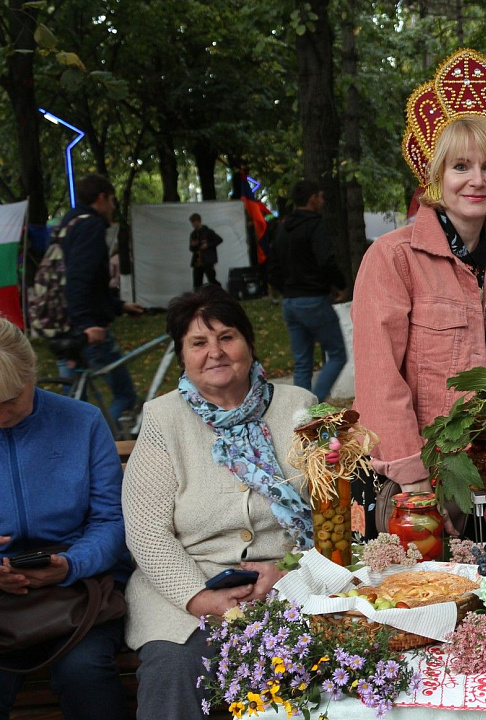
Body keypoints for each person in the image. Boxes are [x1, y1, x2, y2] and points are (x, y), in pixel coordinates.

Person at [122, 285, 315, 718]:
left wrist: (288, 574)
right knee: (176, 667)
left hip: (286, 583)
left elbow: (329, 511)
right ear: (182, 356)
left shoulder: (299, 407)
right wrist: (198, 598)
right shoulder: (162, 419)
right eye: (198, 343)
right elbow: (146, 531)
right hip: (185, 590)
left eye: (227, 337)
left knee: (321, 662)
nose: (216, 352)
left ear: (249, 342)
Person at [353, 49, 486, 501]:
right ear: (437, 174)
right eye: (460, 166)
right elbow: (379, 380)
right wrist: (412, 479)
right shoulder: (393, 259)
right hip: (425, 481)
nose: (477, 180)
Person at [0, 319, 131, 720]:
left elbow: (112, 521)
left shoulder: (82, 421)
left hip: (79, 589)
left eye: (11, 400)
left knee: (85, 673)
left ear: (32, 373)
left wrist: (71, 564)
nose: (1, 413)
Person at [61, 173, 145, 423]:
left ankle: (71, 450)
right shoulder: (91, 227)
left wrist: (120, 305)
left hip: (65, 327)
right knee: (125, 395)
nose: (113, 208)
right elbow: (79, 280)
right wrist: (88, 326)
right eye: (112, 201)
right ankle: (100, 450)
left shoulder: (70, 225)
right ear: (101, 198)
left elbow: (88, 284)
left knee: (71, 407)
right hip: (88, 328)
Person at [275, 179, 347, 402]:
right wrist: (340, 285)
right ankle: (314, 404)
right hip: (313, 299)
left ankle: (300, 413)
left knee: (302, 362)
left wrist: (285, 289)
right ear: (313, 198)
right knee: (337, 354)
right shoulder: (315, 225)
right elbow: (326, 260)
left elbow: (272, 265)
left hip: (290, 302)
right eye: (321, 196)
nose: (323, 200)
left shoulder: (283, 227)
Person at [188, 213, 223, 289]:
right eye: (192, 223)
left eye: (194, 222)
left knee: (212, 279)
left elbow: (219, 240)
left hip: (208, 259)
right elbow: (191, 248)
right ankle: (198, 298)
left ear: (199, 221)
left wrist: (208, 245)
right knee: (197, 282)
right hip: (197, 261)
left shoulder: (208, 232)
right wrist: (193, 245)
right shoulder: (193, 234)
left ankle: (219, 294)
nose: (193, 224)